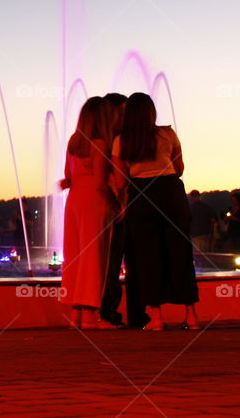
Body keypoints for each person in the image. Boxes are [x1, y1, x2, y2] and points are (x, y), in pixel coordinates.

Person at [112, 93, 199, 331]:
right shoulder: (168, 134)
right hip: (170, 191)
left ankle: (156, 318)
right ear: (152, 112)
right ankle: (191, 316)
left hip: (141, 194)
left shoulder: (121, 141)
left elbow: (120, 182)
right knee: (180, 251)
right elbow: (179, 168)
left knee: (147, 256)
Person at [59, 97, 117, 329]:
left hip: (74, 201)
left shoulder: (74, 142)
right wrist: (117, 203)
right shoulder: (101, 144)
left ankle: (75, 313)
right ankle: (92, 315)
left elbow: (67, 178)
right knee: (95, 257)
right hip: (94, 200)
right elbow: (102, 182)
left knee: (75, 255)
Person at [97, 92, 146, 328]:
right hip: (115, 207)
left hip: (127, 205)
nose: (126, 116)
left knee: (130, 260)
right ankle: (109, 312)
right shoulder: (107, 141)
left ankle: (133, 314)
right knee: (113, 261)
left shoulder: (122, 139)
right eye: (122, 112)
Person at [188, 190, 217, 255]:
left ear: (191, 197)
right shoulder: (207, 207)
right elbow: (213, 221)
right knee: (206, 254)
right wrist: (212, 233)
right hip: (206, 234)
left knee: (197, 255)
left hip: (195, 235)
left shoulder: (190, 208)